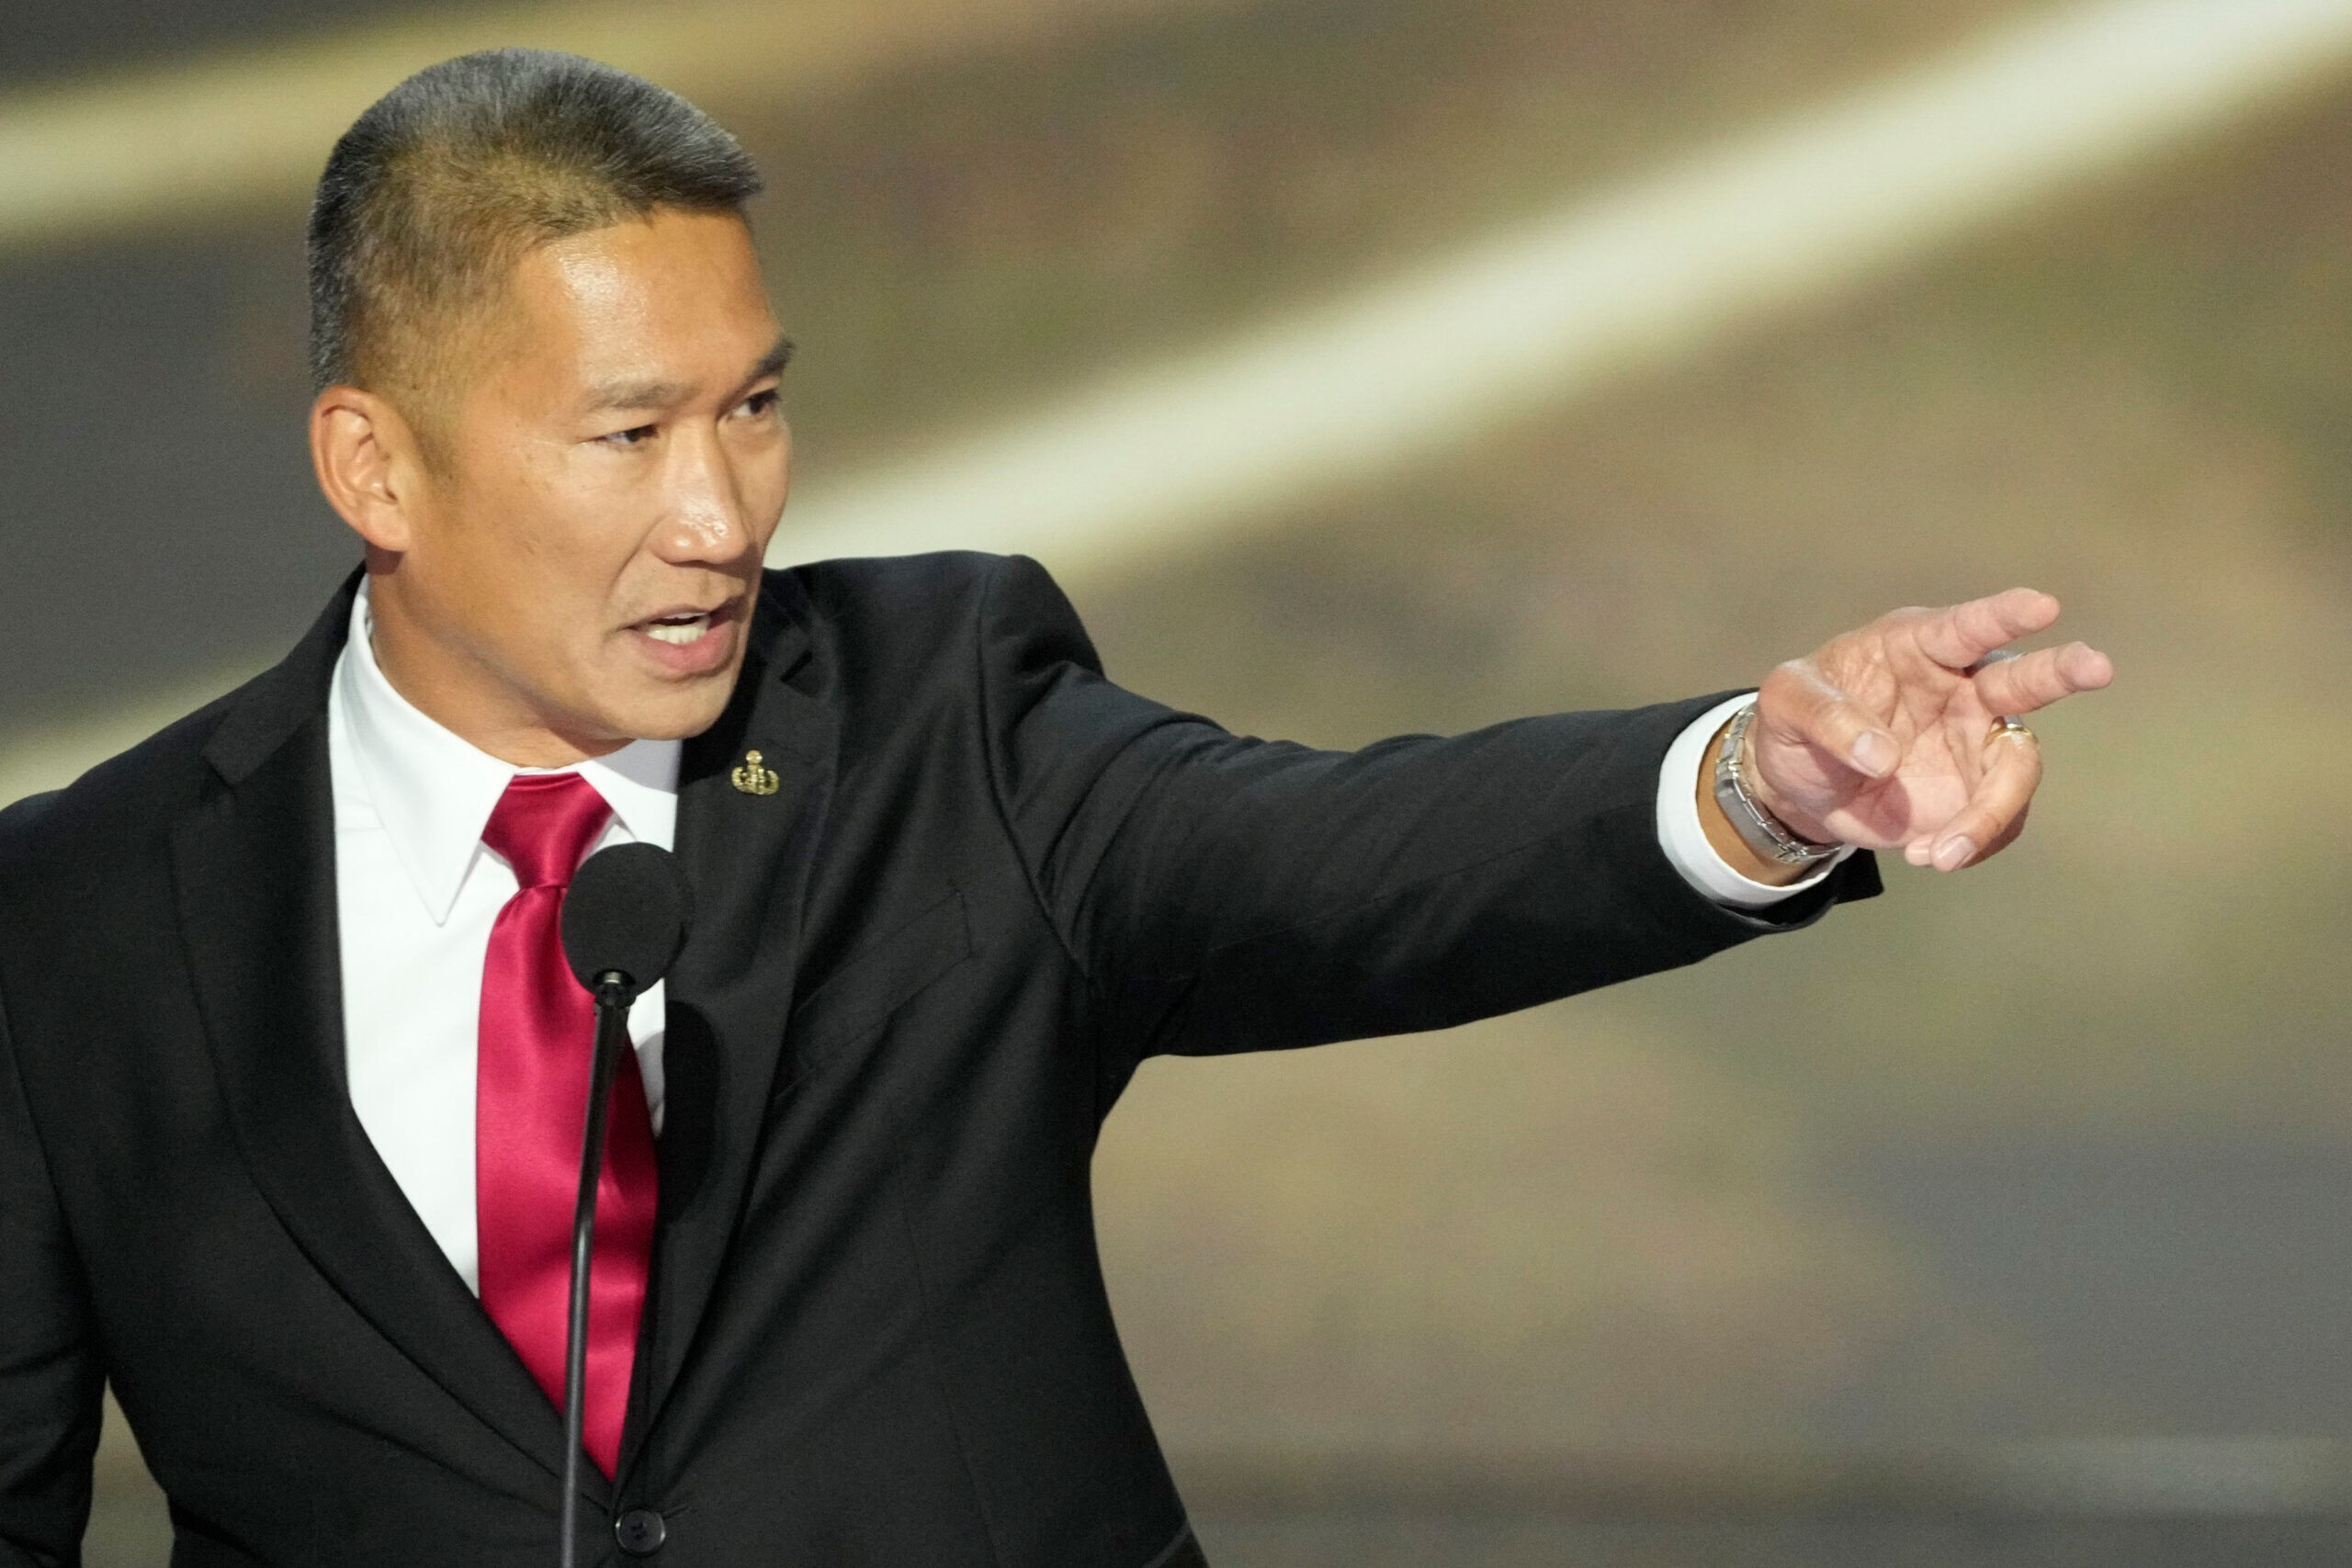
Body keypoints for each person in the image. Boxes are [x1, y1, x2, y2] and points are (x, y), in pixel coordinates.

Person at [0, 48, 2111, 1568]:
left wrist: (1753, 779)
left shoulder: (943, 726)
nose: (719, 513)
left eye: (752, 405)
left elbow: (1343, 860)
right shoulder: (74, 919)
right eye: (626, 431)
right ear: (373, 466)